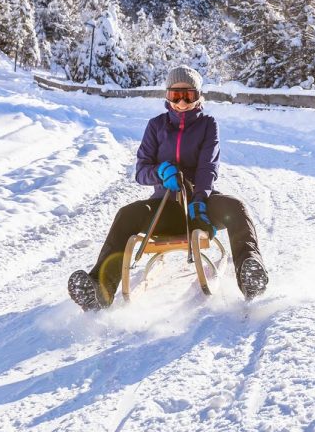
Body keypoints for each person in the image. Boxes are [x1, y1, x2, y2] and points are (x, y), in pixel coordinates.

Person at [68, 65, 269, 311]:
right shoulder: (156, 126)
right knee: (127, 214)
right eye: (176, 96)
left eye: (189, 96)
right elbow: (141, 171)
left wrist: (199, 200)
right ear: (167, 96)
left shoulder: (208, 125)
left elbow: (208, 167)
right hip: (166, 207)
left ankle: (249, 272)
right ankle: (100, 288)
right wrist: (160, 173)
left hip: (201, 207)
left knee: (236, 207)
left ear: (198, 96)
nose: (182, 102)